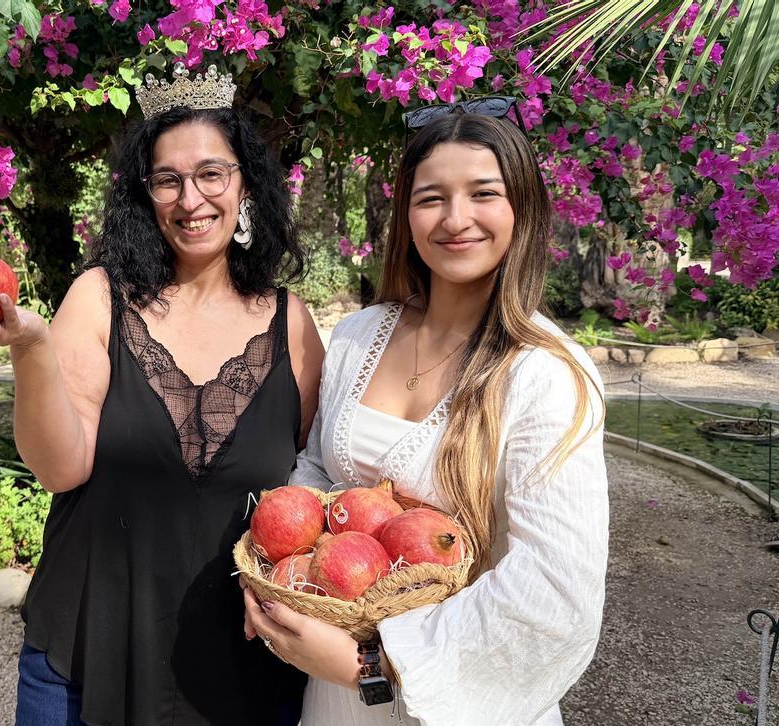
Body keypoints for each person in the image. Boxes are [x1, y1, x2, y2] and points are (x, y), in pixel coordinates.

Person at [0, 65, 325, 725]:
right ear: (146, 195)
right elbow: (60, 469)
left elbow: (310, 487)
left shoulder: (293, 325)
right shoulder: (99, 299)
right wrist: (29, 346)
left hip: (248, 668)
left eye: (211, 174)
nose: (190, 199)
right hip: (91, 651)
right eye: (167, 179)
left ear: (245, 184)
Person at [242, 108, 609, 726]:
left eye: (483, 194)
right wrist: (281, 570)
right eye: (431, 197)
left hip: (447, 694)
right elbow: (315, 467)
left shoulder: (545, 376)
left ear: (522, 208)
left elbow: (555, 591)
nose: (455, 219)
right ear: (406, 215)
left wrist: (374, 662)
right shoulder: (360, 335)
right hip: (331, 692)